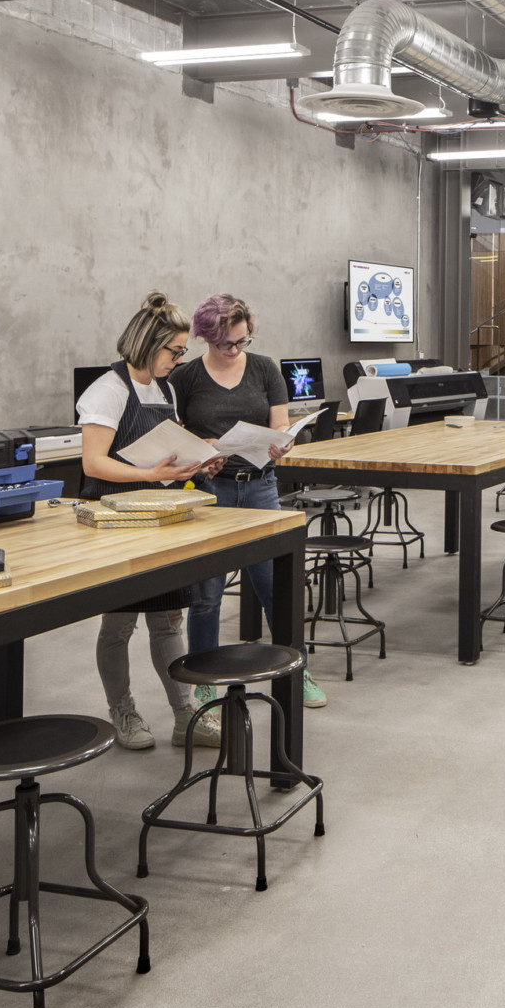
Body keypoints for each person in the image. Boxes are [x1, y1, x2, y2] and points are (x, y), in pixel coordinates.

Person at [77, 291, 225, 750]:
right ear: (147, 343)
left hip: (158, 519)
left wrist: (196, 463)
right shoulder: (108, 390)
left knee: (168, 621)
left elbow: (167, 449)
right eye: (174, 351)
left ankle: (186, 716)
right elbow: (93, 464)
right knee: (119, 624)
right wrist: (148, 474)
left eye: (182, 352)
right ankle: (123, 711)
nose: (178, 360)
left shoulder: (165, 389)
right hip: (117, 522)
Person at [170, 294, 327, 709]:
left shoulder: (263, 368)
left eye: (243, 341)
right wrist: (199, 446)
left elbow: (280, 426)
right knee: (207, 593)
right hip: (210, 491)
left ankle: (298, 668)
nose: (235, 350)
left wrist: (282, 444)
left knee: (274, 585)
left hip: (259, 485)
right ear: (206, 337)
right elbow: (175, 434)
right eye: (227, 344)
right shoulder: (185, 378)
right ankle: (204, 677)